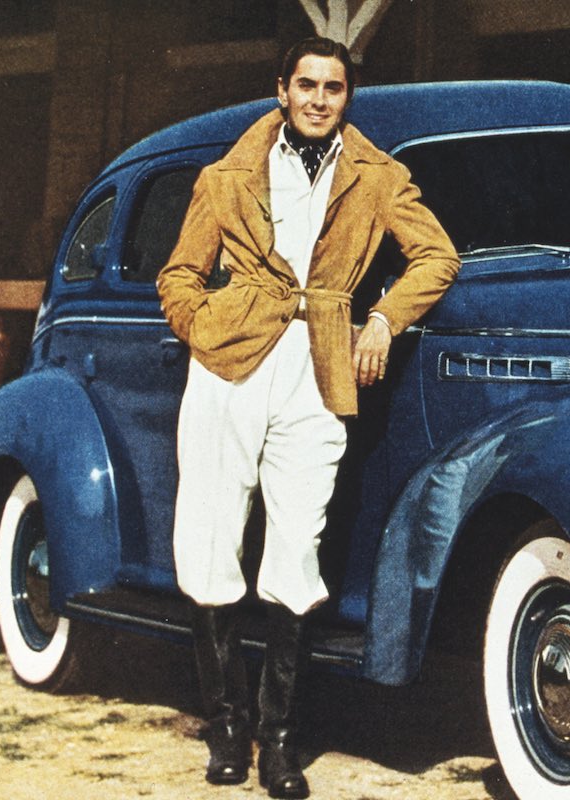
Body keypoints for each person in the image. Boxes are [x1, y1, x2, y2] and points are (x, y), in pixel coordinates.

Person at [156, 37, 459, 799]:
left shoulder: (380, 176)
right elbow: (179, 274)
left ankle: (279, 743)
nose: (320, 99)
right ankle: (225, 729)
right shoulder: (224, 176)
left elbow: (437, 257)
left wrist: (384, 320)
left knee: (296, 549)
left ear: (347, 96)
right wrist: (202, 325)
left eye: (334, 87)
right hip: (228, 366)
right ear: (281, 90)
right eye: (307, 85)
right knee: (211, 535)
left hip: (319, 369)